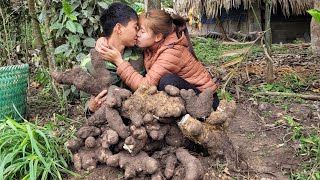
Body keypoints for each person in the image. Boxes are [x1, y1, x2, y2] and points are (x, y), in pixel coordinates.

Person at [96, 10, 219, 110]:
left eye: (142, 31)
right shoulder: (151, 45)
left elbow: (145, 86)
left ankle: (196, 115)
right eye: (137, 28)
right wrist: (103, 40)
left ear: (158, 37)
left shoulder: (172, 51)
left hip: (206, 101)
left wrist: (119, 62)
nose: (137, 34)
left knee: (166, 81)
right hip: (189, 93)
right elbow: (118, 38)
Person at [83, 2, 145, 113]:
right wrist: (91, 109)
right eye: (135, 27)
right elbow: (86, 105)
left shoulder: (140, 53)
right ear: (119, 28)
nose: (138, 33)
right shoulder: (89, 63)